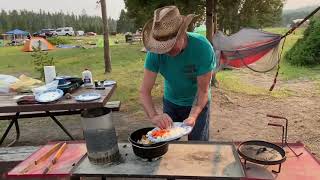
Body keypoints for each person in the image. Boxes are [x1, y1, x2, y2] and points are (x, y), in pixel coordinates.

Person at [140, 6, 216, 141]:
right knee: (168, 145)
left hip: (197, 103)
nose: (166, 51)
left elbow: (203, 91)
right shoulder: (155, 53)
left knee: (198, 148)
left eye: (171, 45)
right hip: (171, 103)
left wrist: (193, 115)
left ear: (183, 33)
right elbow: (144, 91)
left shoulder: (202, 48)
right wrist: (154, 116)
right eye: (163, 47)